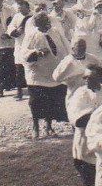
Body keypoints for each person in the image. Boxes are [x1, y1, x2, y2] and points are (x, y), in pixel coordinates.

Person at [23, 11, 70, 139]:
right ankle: (36, 128)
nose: (48, 23)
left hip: (53, 74)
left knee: (50, 102)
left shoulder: (55, 32)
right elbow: (24, 54)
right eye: (45, 22)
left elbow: (65, 48)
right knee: (36, 103)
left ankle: (49, 127)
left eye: (48, 21)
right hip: (38, 76)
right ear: (39, 23)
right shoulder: (32, 35)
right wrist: (37, 53)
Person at [66, 65, 102, 186]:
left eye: (90, 78)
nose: (86, 80)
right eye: (85, 77)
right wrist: (99, 115)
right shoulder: (80, 93)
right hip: (84, 137)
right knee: (85, 166)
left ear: (100, 78)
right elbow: (77, 119)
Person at [6, 0, 33, 100]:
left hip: (30, 46)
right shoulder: (17, 16)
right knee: (19, 71)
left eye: (22, 7)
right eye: (19, 8)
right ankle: (19, 92)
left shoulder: (33, 16)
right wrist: (15, 31)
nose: (20, 9)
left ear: (27, 7)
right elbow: (10, 27)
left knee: (30, 70)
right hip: (19, 46)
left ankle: (32, 92)